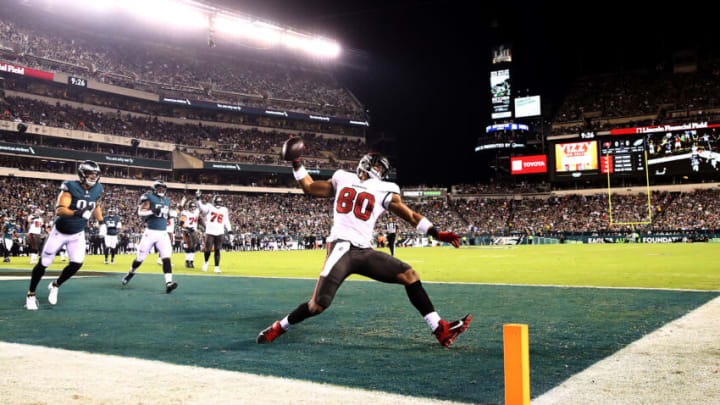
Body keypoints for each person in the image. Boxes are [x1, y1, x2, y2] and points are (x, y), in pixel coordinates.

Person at [257, 150, 471, 347]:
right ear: (365, 163)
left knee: (410, 275)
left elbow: (412, 216)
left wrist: (437, 233)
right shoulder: (342, 177)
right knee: (318, 305)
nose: (379, 171)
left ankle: (439, 328)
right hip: (341, 247)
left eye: (382, 169)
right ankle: (279, 327)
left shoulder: (385, 189)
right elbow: (310, 187)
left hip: (365, 251)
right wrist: (296, 163)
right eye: (377, 166)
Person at [25, 160, 104, 310]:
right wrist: (78, 212)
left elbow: (96, 204)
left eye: (95, 175)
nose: (93, 177)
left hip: (77, 233)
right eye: (90, 174)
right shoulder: (70, 186)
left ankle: (56, 285)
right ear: (82, 174)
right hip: (60, 232)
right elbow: (60, 210)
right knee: (44, 263)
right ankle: (31, 294)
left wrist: (101, 222)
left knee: (77, 263)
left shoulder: (98, 189)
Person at [121, 180, 178, 293]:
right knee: (140, 258)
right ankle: (130, 273)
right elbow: (140, 212)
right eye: (159, 188)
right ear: (154, 189)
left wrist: (171, 214)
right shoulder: (149, 197)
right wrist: (152, 211)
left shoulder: (167, 200)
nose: (161, 190)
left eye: (163, 188)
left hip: (162, 233)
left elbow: (167, 215)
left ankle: (169, 283)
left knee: (166, 258)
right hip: (150, 232)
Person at [196, 191, 231, 273]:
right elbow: (201, 208)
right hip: (210, 231)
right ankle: (206, 262)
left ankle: (216, 267)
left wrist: (229, 230)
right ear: (214, 202)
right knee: (207, 250)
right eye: (217, 202)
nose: (219, 203)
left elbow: (226, 220)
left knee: (217, 250)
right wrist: (198, 199)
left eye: (220, 202)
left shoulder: (224, 209)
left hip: (220, 231)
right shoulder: (209, 206)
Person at [180, 200, 200, 268]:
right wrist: (188, 227)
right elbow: (181, 224)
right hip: (186, 230)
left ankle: (191, 261)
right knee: (190, 246)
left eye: (194, 207)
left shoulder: (196, 212)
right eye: (191, 207)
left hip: (193, 230)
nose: (193, 208)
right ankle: (187, 261)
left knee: (194, 246)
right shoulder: (186, 213)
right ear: (188, 207)